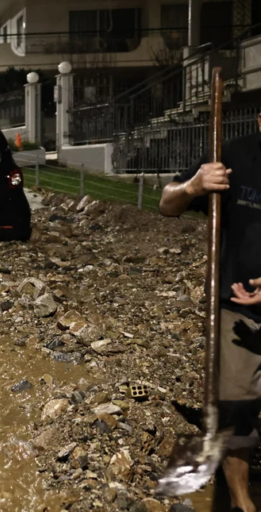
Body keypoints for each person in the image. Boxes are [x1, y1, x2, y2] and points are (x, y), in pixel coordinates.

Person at [159, 111, 261, 512]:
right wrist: (194, 185)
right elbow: (167, 204)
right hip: (236, 307)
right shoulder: (231, 156)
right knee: (237, 405)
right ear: (258, 121)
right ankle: (241, 498)